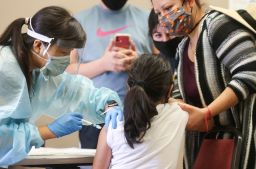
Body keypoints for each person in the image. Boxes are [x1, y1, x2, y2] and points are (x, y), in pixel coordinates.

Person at [0, 6, 122, 167]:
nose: (66, 60)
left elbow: (78, 93)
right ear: (38, 45)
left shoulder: (40, 73)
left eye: (70, 52)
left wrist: (109, 104)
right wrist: (48, 131)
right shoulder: (5, 68)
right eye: (63, 52)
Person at [151, 0, 256, 168]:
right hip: (210, 147)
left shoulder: (218, 26)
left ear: (190, 2)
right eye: (158, 13)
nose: (164, 17)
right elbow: (178, 93)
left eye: (168, 8)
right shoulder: (182, 46)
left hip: (242, 144)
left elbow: (250, 73)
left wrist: (207, 113)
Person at [67, 0, 154, 149]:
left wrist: (138, 63)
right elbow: (68, 70)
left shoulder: (148, 19)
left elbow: (162, 65)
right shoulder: (79, 21)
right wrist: (103, 64)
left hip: (139, 113)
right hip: (94, 116)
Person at [93, 54, 188, 169]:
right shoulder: (178, 114)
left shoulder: (113, 124)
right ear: (170, 90)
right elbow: (203, 117)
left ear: (129, 86)